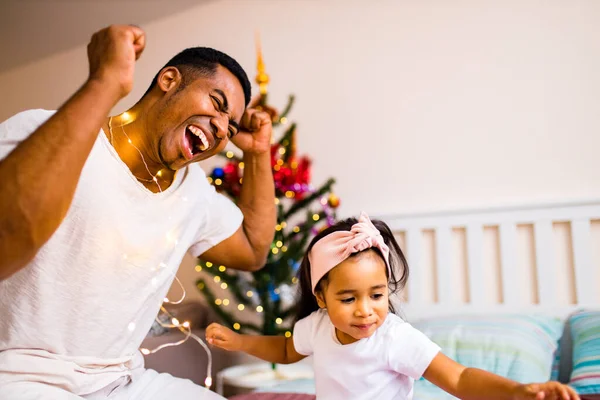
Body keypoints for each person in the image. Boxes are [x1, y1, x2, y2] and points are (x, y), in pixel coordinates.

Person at [0, 25, 276, 399]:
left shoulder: (192, 192)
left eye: (231, 126)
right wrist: (106, 79)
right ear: (169, 80)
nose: (222, 129)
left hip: (123, 381)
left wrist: (258, 153)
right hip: (18, 374)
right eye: (217, 103)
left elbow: (254, 249)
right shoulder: (41, 130)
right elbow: (12, 232)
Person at [206, 213, 580, 400]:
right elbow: (287, 349)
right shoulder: (318, 326)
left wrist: (519, 392)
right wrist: (241, 343)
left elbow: (460, 378)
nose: (366, 310)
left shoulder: (394, 338)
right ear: (321, 297)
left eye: (377, 294)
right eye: (348, 298)